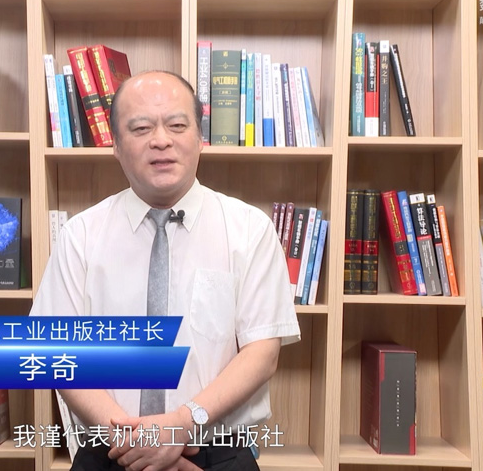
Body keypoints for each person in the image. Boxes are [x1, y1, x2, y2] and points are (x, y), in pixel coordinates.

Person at [30, 70, 300, 471]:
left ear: (200, 137)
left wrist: (180, 425)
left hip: (216, 455)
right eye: (141, 128)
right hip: (111, 452)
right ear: (115, 145)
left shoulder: (249, 230)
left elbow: (262, 354)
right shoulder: (80, 236)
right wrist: (140, 447)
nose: (161, 140)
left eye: (177, 125)